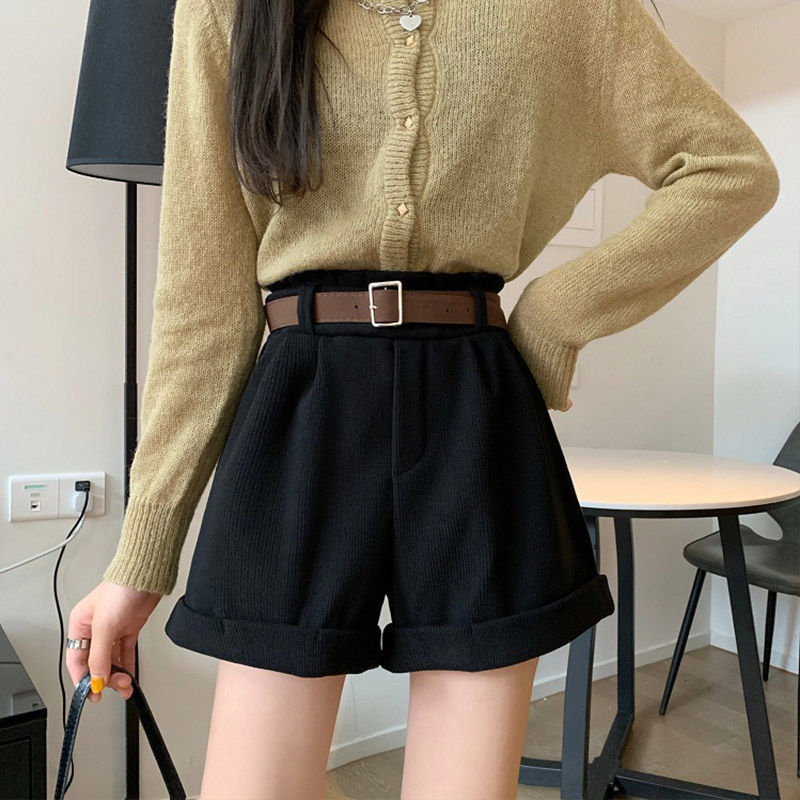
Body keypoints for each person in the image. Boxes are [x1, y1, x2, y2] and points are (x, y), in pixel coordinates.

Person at [66, 0, 780, 796]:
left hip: (477, 407)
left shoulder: (574, 10)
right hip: (300, 409)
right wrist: (141, 555)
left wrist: (558, 311)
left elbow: (729, 168)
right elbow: (202, 307)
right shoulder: (226, 9)